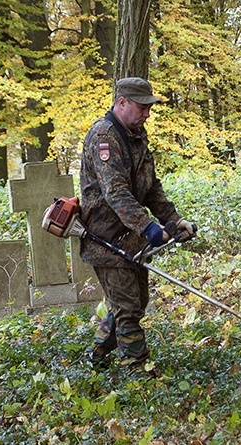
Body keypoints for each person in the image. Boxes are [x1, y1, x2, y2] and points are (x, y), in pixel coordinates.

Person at [80, 77, 196, 370]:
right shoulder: (103, 136)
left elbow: (151, 186)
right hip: (105, 237)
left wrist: (173, 220)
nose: (147, 114)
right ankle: (138, 371)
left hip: (130, 235)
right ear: (122, 103)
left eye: (149, 108)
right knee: (128, 307)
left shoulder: (136, 135)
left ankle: (96, 355)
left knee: (135, 301)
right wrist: (147, 226)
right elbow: (115, 191)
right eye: (142, 108)